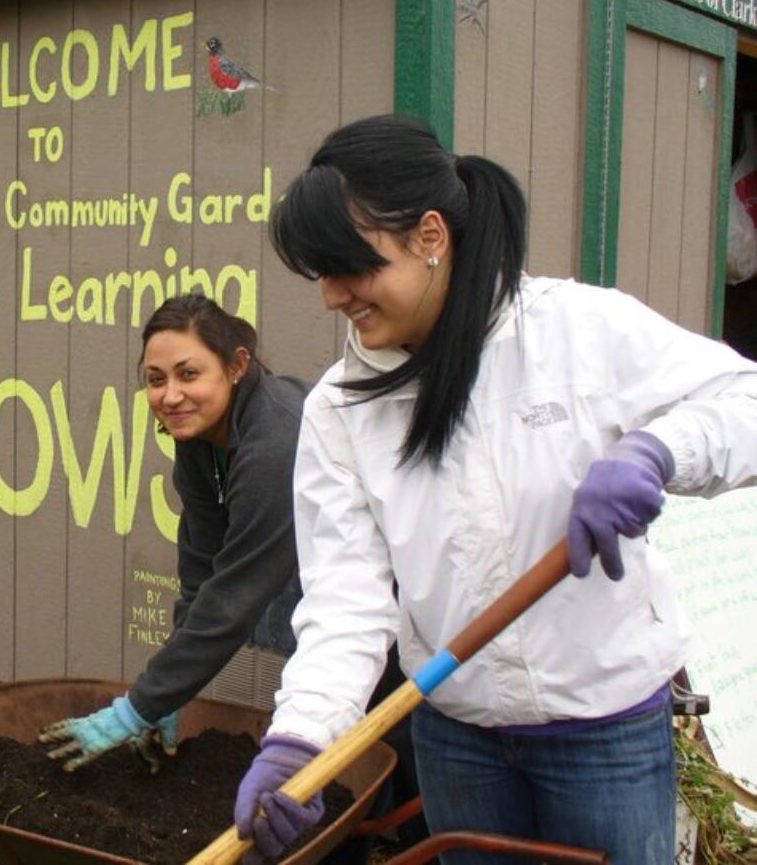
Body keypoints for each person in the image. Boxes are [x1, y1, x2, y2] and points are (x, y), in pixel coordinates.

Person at [232, 114, 757, 864]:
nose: (332, 296)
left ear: (431, 236)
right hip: (457, 740)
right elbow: (347, 601)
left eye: (352, 265)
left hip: (604, 735)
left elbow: (746, 401)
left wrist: (657, 450)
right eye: (320, 272)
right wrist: (300, 741)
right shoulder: (341, 410)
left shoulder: (575, 332)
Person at [39, 294, 310, 773]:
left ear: (236, 366)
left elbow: (235, 596)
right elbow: (202, 568)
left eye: (189, 374)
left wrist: (137, 706)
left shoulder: (275, 442)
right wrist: (168, 695)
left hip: (395, 611)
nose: (170, 395)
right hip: (333, 599)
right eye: (155, 379)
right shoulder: (201, 438)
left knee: (385, 763)